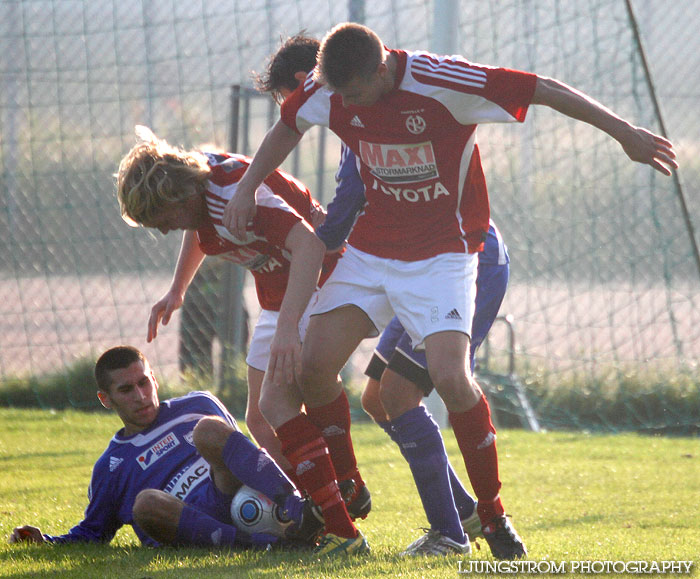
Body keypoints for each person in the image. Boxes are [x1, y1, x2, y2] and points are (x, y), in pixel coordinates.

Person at [224, 23, 676, 560]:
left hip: (444, 255)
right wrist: (248, 186)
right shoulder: (330, 90)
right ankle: (348, 484)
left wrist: (624, 132)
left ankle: (492, 515)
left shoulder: (443, 79)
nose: (345, 106)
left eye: (356, 93)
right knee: (311, 367)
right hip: (372, 254)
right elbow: (287, 126)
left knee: (450, 378)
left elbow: (543, 88)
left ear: (382, 68)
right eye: (338, 94)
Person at [255, 32, 511, 557]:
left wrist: (300, 253)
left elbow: (344, 212)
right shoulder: (358, 118)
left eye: (292, 97)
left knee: (403, 394)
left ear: (317, 83)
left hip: (462, 261)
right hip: (401, 263)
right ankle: (460, 510)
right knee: (376, 398)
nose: (299, 114)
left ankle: (460, 530)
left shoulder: (371, 116)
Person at [114, 128, 368, 557]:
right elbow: (199, 229)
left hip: (316, 284)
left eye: (161, 220)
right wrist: (177, 289)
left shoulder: (231, 192)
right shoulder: (198, 194)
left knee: (276, 404)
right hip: (277, 295)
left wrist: (289, 328)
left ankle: (341, 518)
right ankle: (316, 510)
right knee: (259, 418)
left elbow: (309, 244)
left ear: (176, 198)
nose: (161, 231)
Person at [9, 345, 321, 548]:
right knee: (145, 504)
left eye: (144, 383)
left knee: (210, 429)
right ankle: (260, 545)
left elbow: (240, 453)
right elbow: (93, 533)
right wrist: (46, 541)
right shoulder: (111, 465)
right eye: (126, 389)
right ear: (107, 399)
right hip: (186, 521)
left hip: (228, 490)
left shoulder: (198, 403)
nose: (140, 395)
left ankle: (298, 509)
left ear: (155, 380)